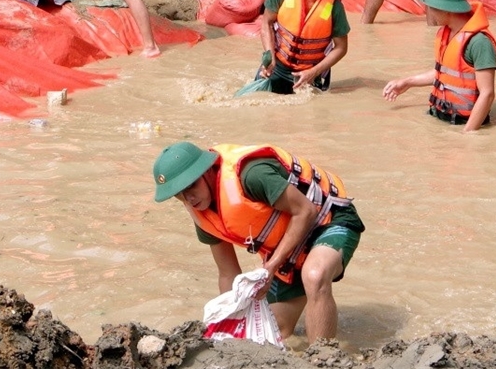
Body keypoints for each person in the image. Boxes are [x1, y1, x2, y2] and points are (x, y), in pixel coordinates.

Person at [152, 140, 362, 342]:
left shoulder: (251, 175)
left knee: (314, 276)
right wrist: (230, 319)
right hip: (289, 249)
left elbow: (305, 211)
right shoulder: (202, 214)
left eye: (192, 185)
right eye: (178, 194)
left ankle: (323, 360)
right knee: (272, 329)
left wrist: (271, 266)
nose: (189, 198)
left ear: (207, 170)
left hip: (328, 218)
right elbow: (227, 273)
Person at [381, 0, 496, 131]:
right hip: (440, 117)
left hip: (463, 124)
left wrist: (468, 135)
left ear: (446, 10)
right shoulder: (446, 32)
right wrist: (408, 82)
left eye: (430, 8)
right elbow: (444, 73)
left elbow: (487, 93)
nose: (427, 12)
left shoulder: (479, 42)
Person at [254, 0, 351, 94]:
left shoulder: (334, 6)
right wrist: (270, 57)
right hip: (278, 66)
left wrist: (314, 72)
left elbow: (341, 48)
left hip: (310, 74)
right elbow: (266, 22)